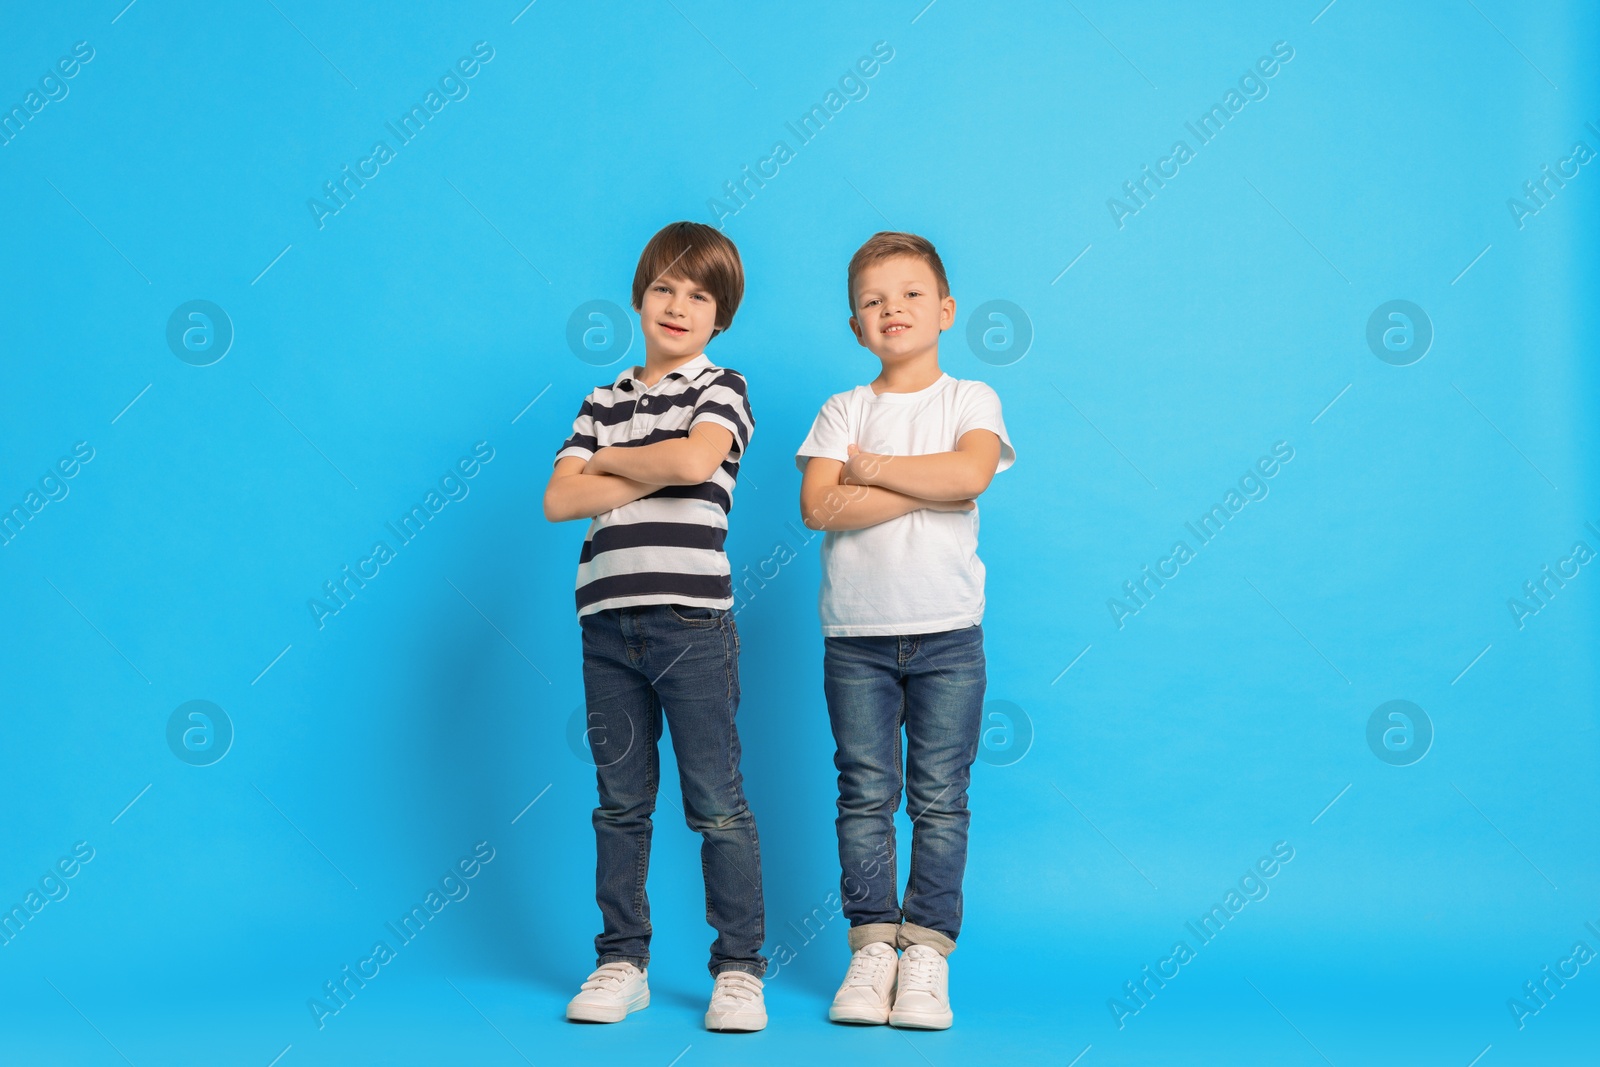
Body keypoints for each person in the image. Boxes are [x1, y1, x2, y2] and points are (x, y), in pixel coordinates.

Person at [545, 221, 767, 1032]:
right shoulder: (602, 397)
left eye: (699, 296)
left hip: (691, 624)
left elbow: (693, 462)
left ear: (720, 316)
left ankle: (739, 967)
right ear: (639, 297)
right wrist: (635, 459)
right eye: (664, 288)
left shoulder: (724, 386)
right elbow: (557, 499)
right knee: (618, 803)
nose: (678, 306)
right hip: (606, 623)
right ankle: (621, 960)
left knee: (715, 802)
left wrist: (606, 464)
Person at [796, 231, 1015, 1030]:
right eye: (873, 299)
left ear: (946, 310)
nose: (892, 308)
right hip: (854, 637)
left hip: (949, 636)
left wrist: (872, 468)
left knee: (939, 799)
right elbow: (819, 506)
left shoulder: (971, 400)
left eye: (911, 293)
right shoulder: (843, 409)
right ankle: (870, 949)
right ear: (856, 325)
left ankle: (925, 951)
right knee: (864, 794)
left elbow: (968, 476)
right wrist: (926, 482)